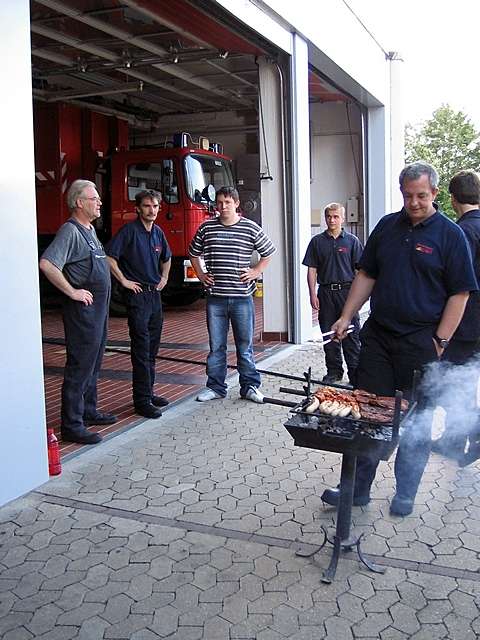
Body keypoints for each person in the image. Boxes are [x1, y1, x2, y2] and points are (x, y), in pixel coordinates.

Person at [321, 161, 478, 516]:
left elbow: (460, 294)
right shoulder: (387, 227)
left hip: (421, 343)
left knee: (416, 420)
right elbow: (366, 274)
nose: (414, 203)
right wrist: (347, 315)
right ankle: (356, 489)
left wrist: (440, 342)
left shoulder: (451, 235)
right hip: (379, 338)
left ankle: (405, 492)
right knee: (368, 414)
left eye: (421, 196)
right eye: (408, 196)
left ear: (435, 194)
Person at [39, 179, 117, 445]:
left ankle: (88, 410)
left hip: (98, 312)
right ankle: (72, 424)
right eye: (94, 198)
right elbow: (48, 264)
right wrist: (72, 291)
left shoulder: (90, 230)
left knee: (93, 363)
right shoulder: (70, 231)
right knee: (80, 366)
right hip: (82, 314)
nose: (100, 202)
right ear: (79, 202)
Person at [189, 186, 276, 403]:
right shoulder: (206, 228)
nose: (223, 207)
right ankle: (216, 387)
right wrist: (200, 274)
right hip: (215, 299)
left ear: (236, 203)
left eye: (227, 202)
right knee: (216, 346)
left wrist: (256, 271)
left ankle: (249, 387)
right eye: (219, 203)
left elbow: (268, 251)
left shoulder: (250, 228)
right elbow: (193, 253)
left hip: (242, 299)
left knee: (244, 346)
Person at [107, 189, 171, 419]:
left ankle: (149, 393)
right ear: (138, 208)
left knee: (152, 348)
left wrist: (164, 278)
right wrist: (123, 280)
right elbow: (109, 257)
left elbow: (168, 257)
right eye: (146, 206)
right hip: (137, 296)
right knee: (141, 349)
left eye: (155, 206)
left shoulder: (158, 233)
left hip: (154, 296)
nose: (151, 210)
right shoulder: (129, 231)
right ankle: (141, 401)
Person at [431, 170, 480, 463]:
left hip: (465, 323)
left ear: (452, 197)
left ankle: (473, 432)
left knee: (452, 382)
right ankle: (452, 440)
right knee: (465, 381)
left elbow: (454, 284)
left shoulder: (461, 232)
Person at [302, 202, 363, 385]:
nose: (332, 220)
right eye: (329, 216)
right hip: (326, 293)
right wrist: (312, 294)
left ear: (342, 218)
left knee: (351, 335)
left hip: (347, 293)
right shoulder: (317, 242)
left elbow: (360, 271)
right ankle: (334, 372)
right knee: (329, 335)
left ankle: (355, 374)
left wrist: (358, 298)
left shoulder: (352, 241)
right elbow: (312, 269)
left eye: (336, 216)